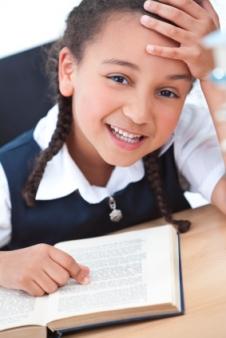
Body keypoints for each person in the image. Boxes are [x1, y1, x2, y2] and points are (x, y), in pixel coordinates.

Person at [0, 0, 224, 297]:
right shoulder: (7, 175)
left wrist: (216, 68)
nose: (139, 114)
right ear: (68, 71)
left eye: (167, 92)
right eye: (119, 78)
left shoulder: (181, 133)